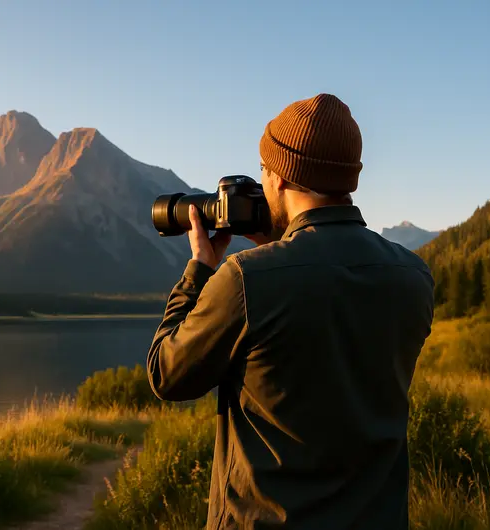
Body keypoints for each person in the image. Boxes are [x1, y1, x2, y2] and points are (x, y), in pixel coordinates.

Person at [146, 93, 435, 529]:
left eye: (263, 170)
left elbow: (166, 375)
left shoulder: (246, 279)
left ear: (280, 178)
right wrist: (281, 253)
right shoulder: (413, 276)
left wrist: (201, 270)